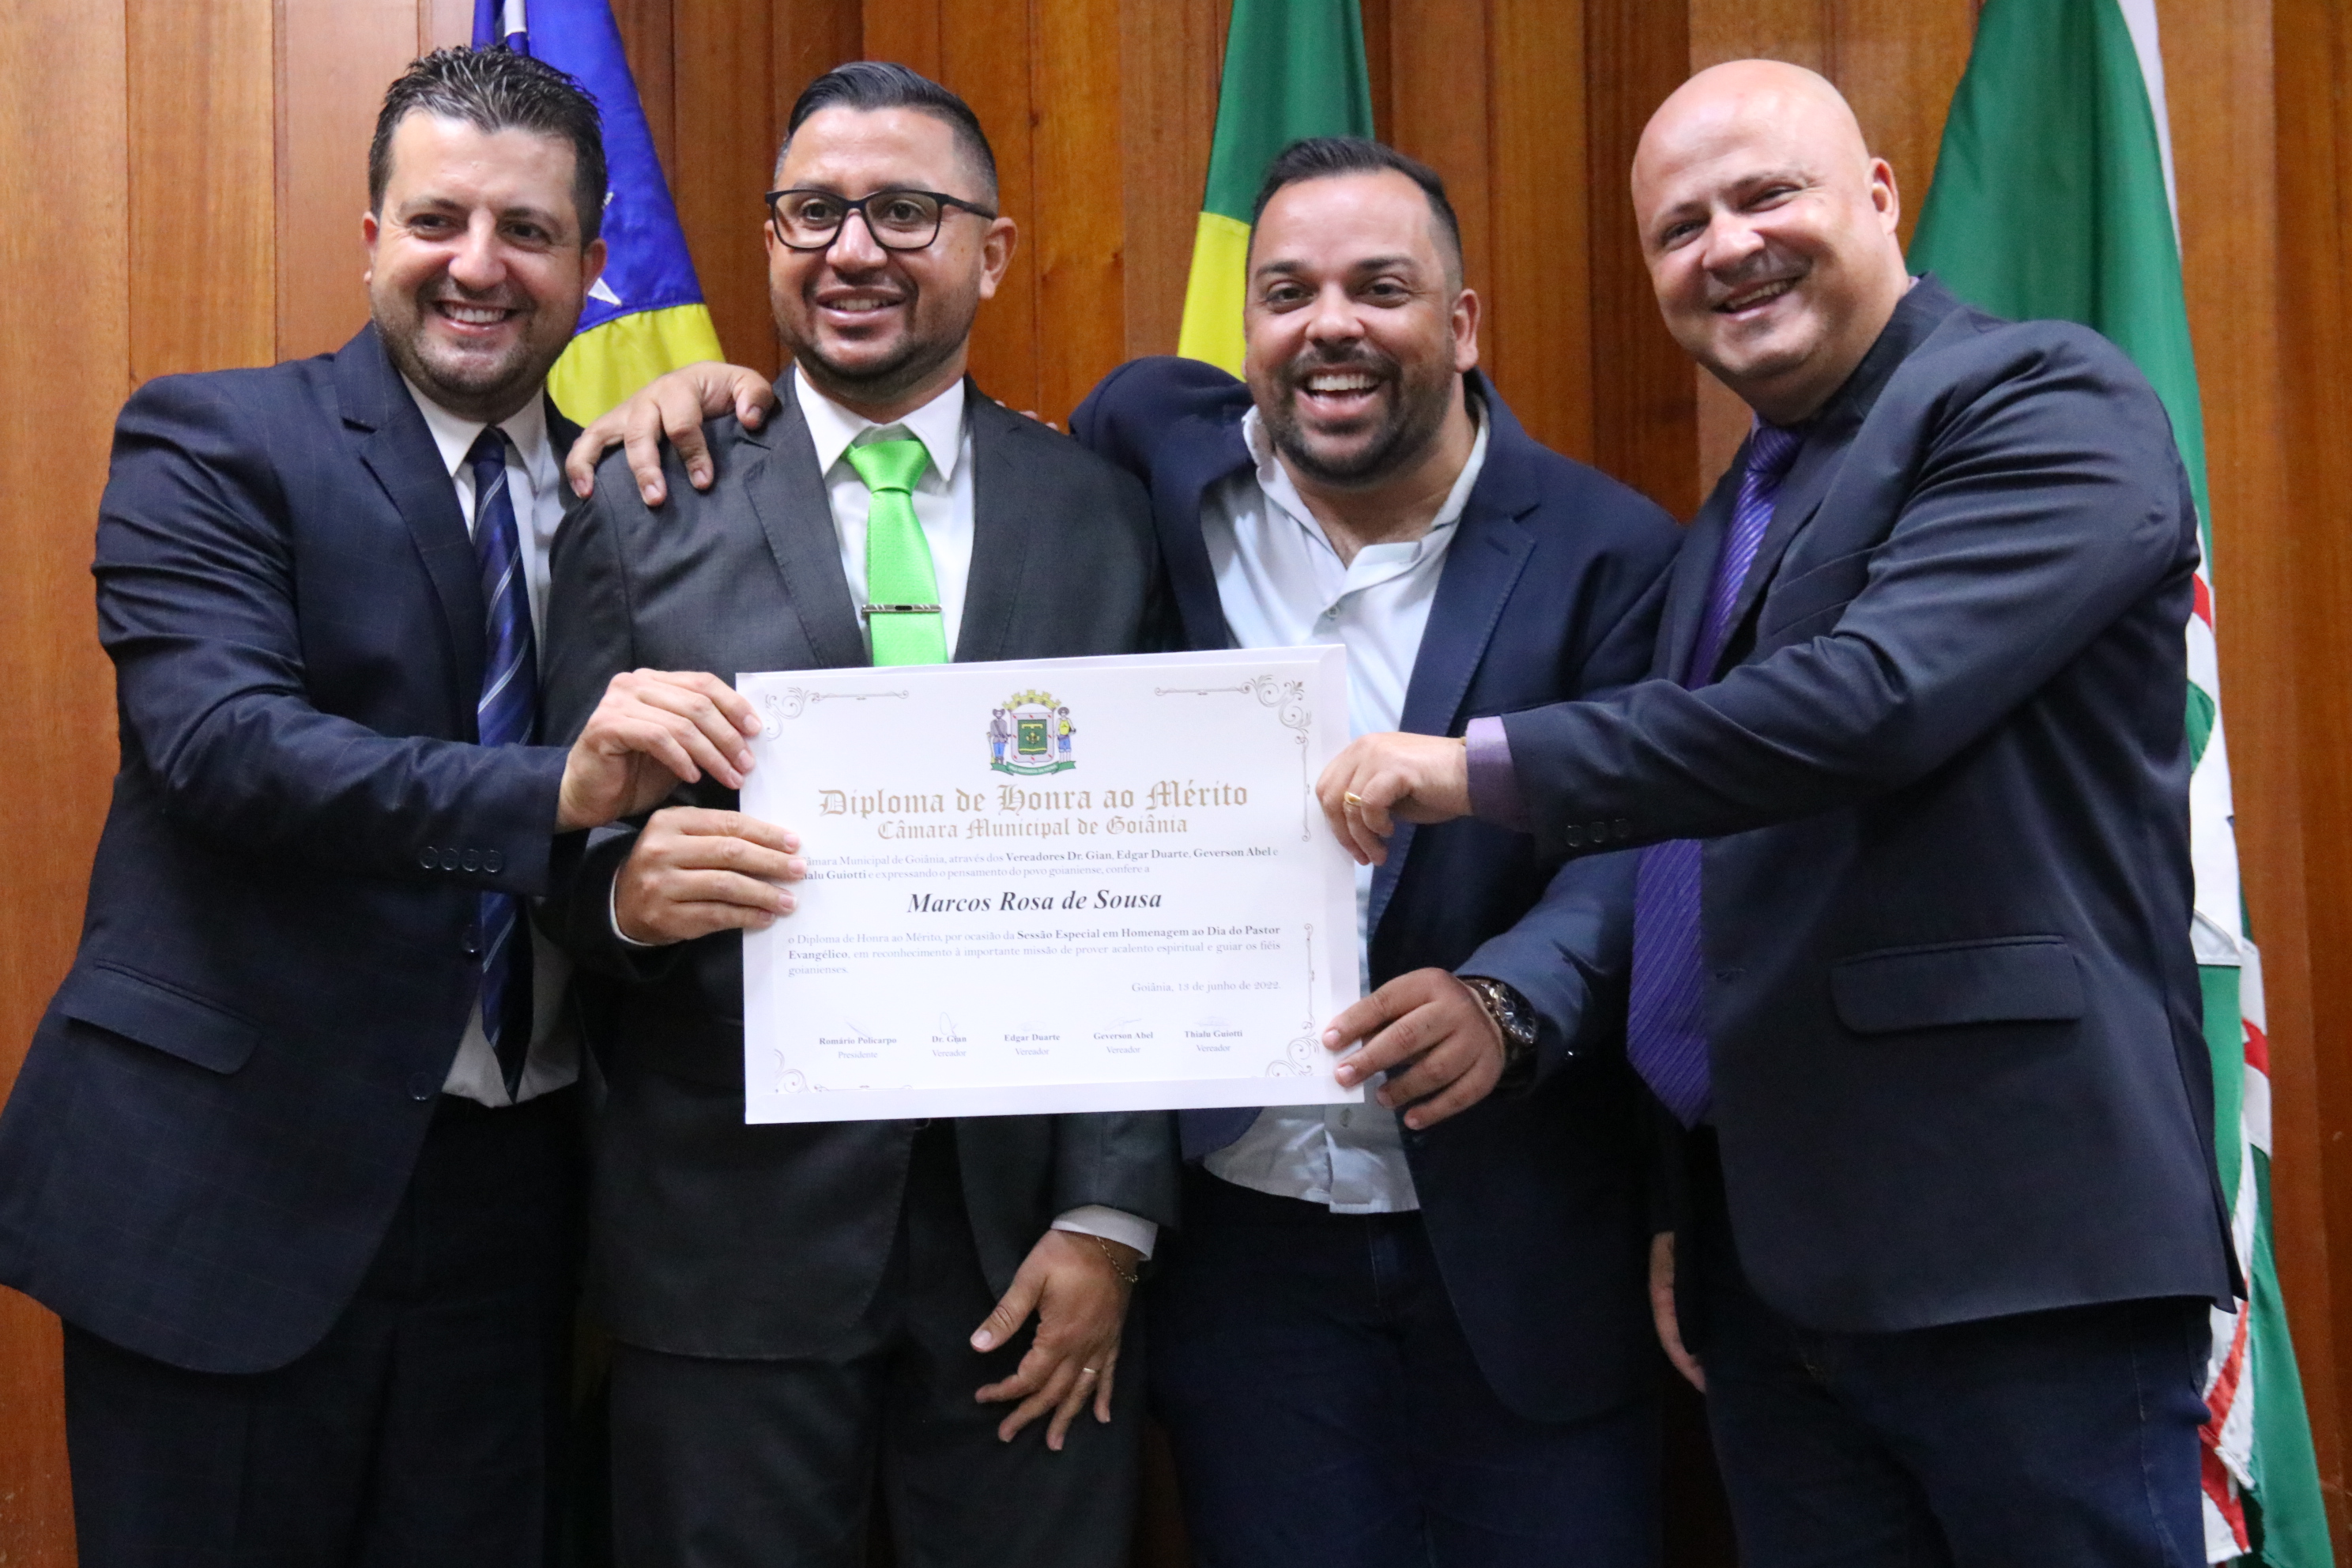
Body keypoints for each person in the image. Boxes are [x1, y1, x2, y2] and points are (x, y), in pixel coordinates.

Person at [571, 135, 1683, 1566]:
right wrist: (701, 389)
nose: (1330, 327)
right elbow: (573, 832)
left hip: (1512, 1234)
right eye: (1287, 292)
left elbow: (1649, 832)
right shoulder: (1156, 459)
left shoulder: (1610, 550)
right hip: (1244, 1251)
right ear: (1245, 328)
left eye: (1380, 288)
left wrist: (1512, 998)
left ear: (1462, 323)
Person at [1317, 61, 2236, 1566]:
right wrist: (1692, 1201)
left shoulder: (2044, 400)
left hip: (2012, 1251)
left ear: (1878, 195)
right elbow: (1705, 866)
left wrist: (1476, 765)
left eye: (1766, 196)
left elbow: (1868, 703)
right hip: (1776, 1272)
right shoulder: (1743, 503)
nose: (1727, 246)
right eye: (1680, 229)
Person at [0, 47, 763, 1567]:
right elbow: (224, 748)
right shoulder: (215, 442)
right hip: (230, 1188)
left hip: (517, 1202)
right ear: (370, 240)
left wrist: (731, 392)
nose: (478, 266)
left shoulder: (636, 493)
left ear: (592, 269)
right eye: (437, 222)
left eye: (528, 232)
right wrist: (558, 786)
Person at [538, 62, 1175, 1567]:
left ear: (992, 252)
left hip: (1029, 1256)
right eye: (811, 212)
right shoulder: (644, 502)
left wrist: (1112, 1217)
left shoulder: (1099, 514)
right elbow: (552, 853)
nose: (851, 250)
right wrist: (623, 894)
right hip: (725, 1255)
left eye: (903, 212)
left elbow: (1158, 884)